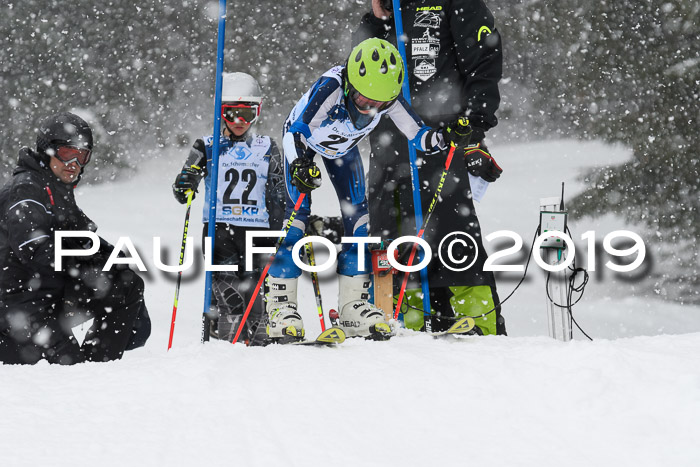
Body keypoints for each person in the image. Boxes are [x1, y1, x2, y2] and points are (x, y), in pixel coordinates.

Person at [266, 37, 472, 340]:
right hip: (305, 144)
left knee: (359, 220)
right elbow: (295, 132)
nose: (369, 110)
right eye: (363, 101)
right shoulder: (331, 87)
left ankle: (352, 308)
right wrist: (298, 164)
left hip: (342, 149)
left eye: (379, 106)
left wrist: (448, 137)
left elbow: (419, 136)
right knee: (296, 219)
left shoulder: (387, 97)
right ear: (350, 85)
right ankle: (281, 309)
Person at [353, 0, 507, 335]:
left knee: (455, 240)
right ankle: (403, 329)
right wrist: (377, 21)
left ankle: (484, 331)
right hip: (388, 151)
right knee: (394, 244)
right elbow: (358, 76)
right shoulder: (385, 11)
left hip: (443, 139)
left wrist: (475, 123)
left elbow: (484, 57)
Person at [0, 112, 151, 365]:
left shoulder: (56, 189)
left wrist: (113, 258)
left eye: (82, 156)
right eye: (67, 153)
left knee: (126, 284)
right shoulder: (27, 190)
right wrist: (83, 264)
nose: (74, 163)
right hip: (18, 306)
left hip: (46, 297)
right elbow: (35, 250)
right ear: (48, 151)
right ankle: (79, 371)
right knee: (69, 367)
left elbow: (83, 238)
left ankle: (98, 367)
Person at [172, 72, 285, 345]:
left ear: (257, 112)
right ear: (221, 113)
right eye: (231, 113)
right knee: (230, 296)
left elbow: (279, 192)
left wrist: (277, 227)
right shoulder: (207, 145)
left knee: (256, 297)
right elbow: (182, 188)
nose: (239, 122)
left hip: (257, 231)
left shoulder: (267, 147)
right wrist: (186, 184)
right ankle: (226, 348)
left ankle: (258, 346)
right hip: (220, 229)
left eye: (247, 114)